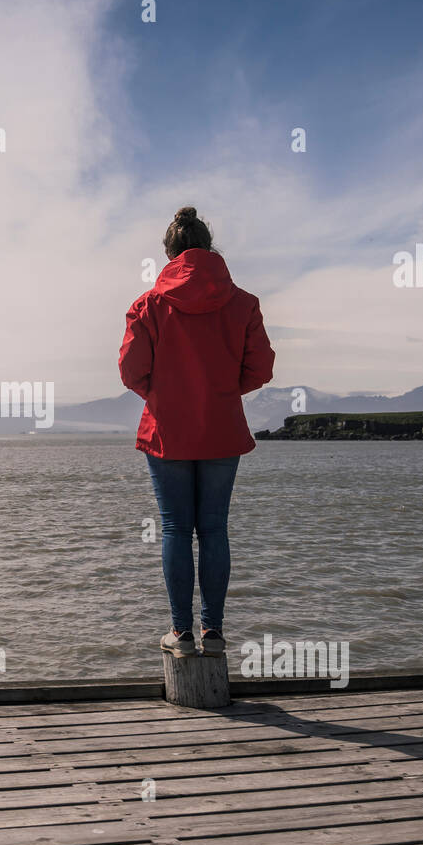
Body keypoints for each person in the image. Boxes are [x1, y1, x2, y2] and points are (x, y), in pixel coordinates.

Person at [118, 206, 275, 657]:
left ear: (169, 254)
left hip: (167, 430)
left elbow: (131, 371)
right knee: (213, 529)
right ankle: (215, 633)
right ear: (209, 248)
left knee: (174, 529)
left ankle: (182, 635)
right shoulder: (244, 303)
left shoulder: (148, 305)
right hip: (221, 428)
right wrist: (223, 391)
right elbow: (260, 368)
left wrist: (166, 396)